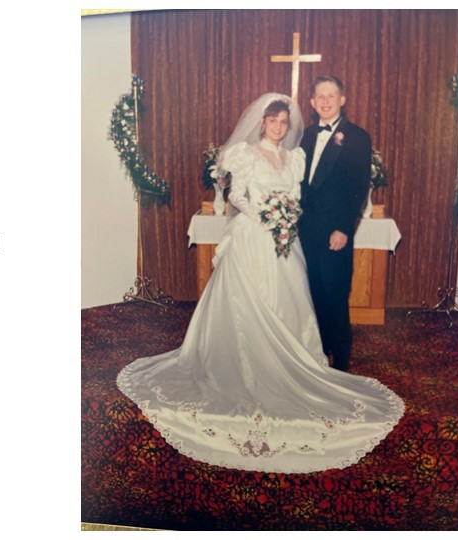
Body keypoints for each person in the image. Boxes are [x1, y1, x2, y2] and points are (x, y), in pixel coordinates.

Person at [117, 93, 403, 474]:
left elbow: (296, 196)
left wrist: (287, 217)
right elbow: (236, 194)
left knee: (290, 300)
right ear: (262, 123)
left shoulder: (294, 158)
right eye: (273, 121)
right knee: (248, 304)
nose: (279, 128)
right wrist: (265, 215)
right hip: (253, 236)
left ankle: (295, 361)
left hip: (285, 239)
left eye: (284, 123)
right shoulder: (246, 155)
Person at [299, 76, 372, 372]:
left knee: (336, 293)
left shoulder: (357, 137)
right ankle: (321, 352)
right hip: (306, 230)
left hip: (335, 230)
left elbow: (358, 187)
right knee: (314, 291)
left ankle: (341, 360)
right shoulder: (305, 135)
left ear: (342, 100)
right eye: (320, 96)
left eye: (331, 95)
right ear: (312, 103)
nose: (326, 101)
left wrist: (343, 227)